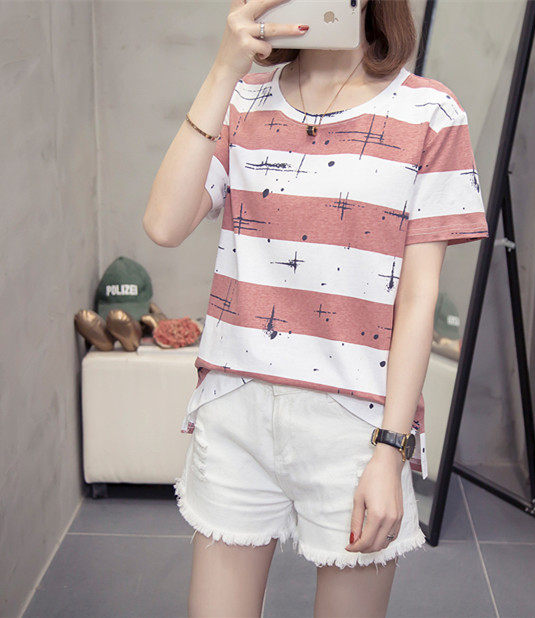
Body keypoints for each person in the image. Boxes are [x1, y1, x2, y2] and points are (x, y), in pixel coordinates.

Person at [143, 0, 489, 615]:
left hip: (356, 426)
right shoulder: (242, 100)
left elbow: (417, 300)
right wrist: (223, 70)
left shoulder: (430, 114)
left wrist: (390, 447)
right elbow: (164, 224)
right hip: (236, 407)